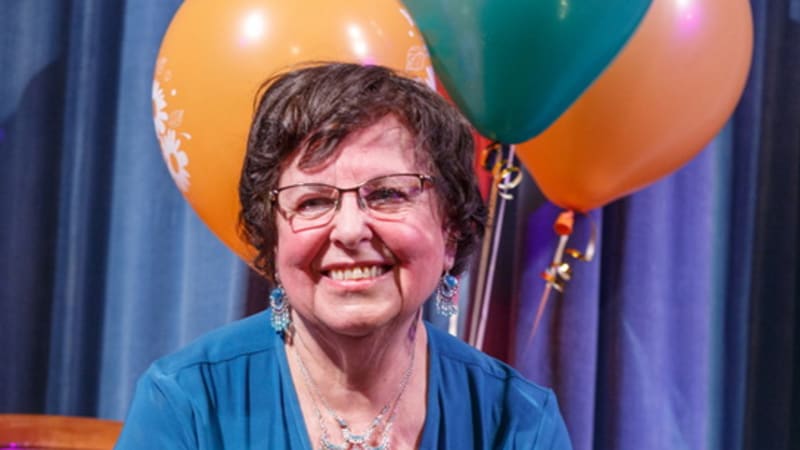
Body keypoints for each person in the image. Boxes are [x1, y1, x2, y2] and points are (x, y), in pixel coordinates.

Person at [115, 62, 572, 449]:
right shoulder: (186, 402)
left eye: (389, 194)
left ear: (450, 233)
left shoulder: (519, 422)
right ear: (272, 241)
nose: (350, 230)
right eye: (313, 201)